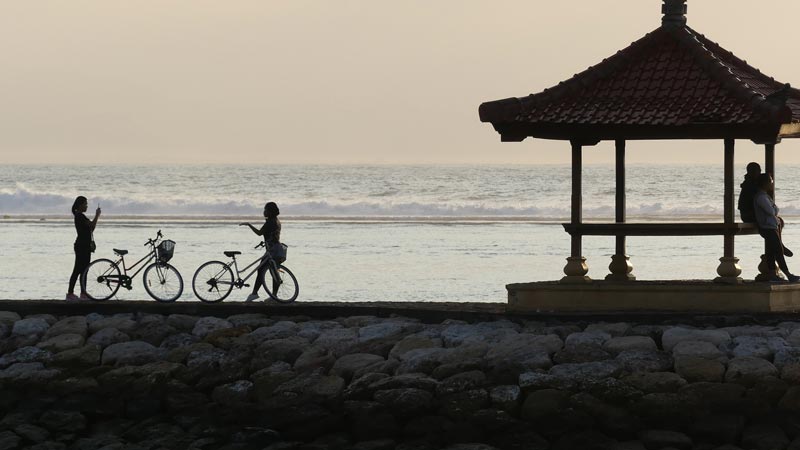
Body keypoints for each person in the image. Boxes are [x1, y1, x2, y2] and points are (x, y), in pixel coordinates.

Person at [754, 174, 799, 282]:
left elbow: (773, 210)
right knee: (778, 251)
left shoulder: (765, 196)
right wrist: (774, 208)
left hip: (770, 226)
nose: (772, 183)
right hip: (767, 228)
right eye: (770, 181)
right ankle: (788, 274)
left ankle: (772, 274)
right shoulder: (761, 197)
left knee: (771, 251)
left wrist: (774, 208)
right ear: (764, 183)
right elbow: (772, 211)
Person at [239, 202, 282, 301]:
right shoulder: (276, 221)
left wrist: (249, 225)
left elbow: (259, 233)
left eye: (266, 210)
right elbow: (272, 235)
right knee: (271, 272)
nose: (264, 212)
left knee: (265, 271)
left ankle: (256, 294)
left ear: (270, 212)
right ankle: (272, 295)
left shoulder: (270, 222)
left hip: (272, 251)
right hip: (275, 249)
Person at [67, 196, 101, 300]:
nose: (86, 206)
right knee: (78, 270)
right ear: (80, 205)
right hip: (82, 246)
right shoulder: (80, 216)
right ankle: (70, 293)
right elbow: (92, 225)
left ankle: (83, 293)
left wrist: (96, 217)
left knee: (84, 270)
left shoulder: (80, 216)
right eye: (85, 204)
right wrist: (97, 215)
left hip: (84, 245)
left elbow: (91, 229)